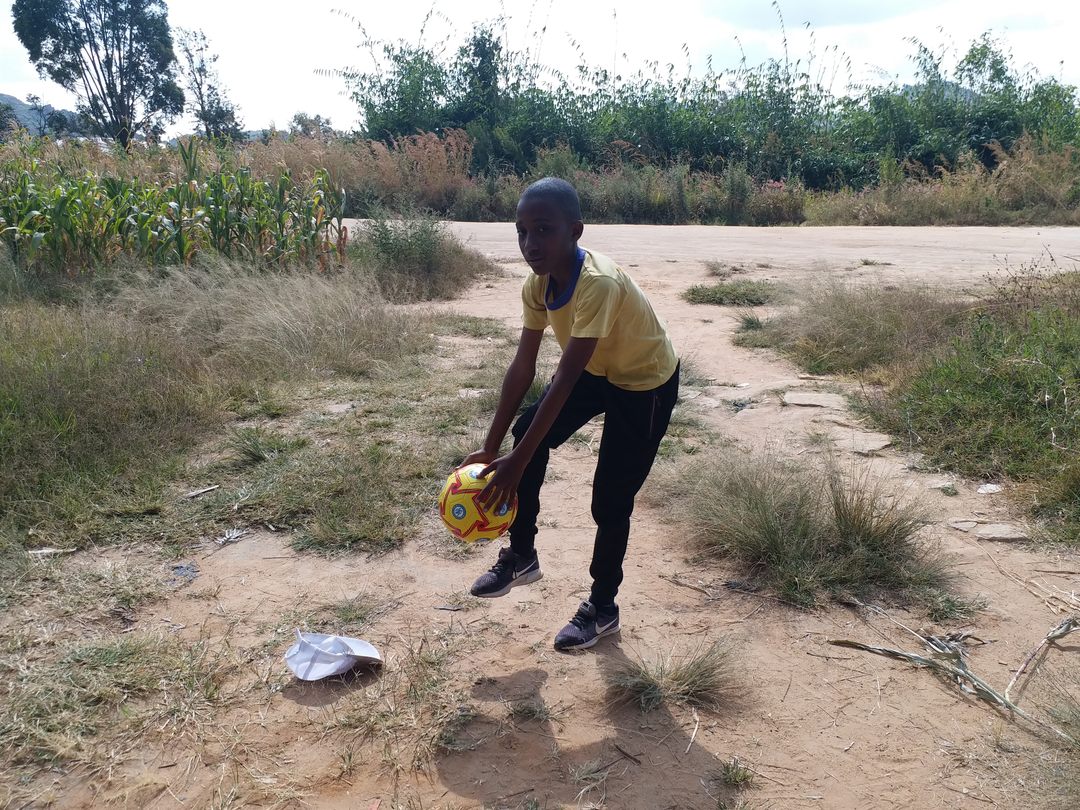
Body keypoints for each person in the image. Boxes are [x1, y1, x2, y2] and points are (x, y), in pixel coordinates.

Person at [462, 177, 680, 651]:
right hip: (597, 371)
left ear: (575, 231)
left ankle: (603, 608)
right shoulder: (537, 284)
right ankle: (522, 554)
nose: (530, 244)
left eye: (544, 229)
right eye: (522, 231)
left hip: (644, 382)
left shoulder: (597, 283)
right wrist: (493, 448)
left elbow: (564, 377)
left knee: (611, 499)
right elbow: (523, 365)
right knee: (526, 432)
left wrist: (518, 462)